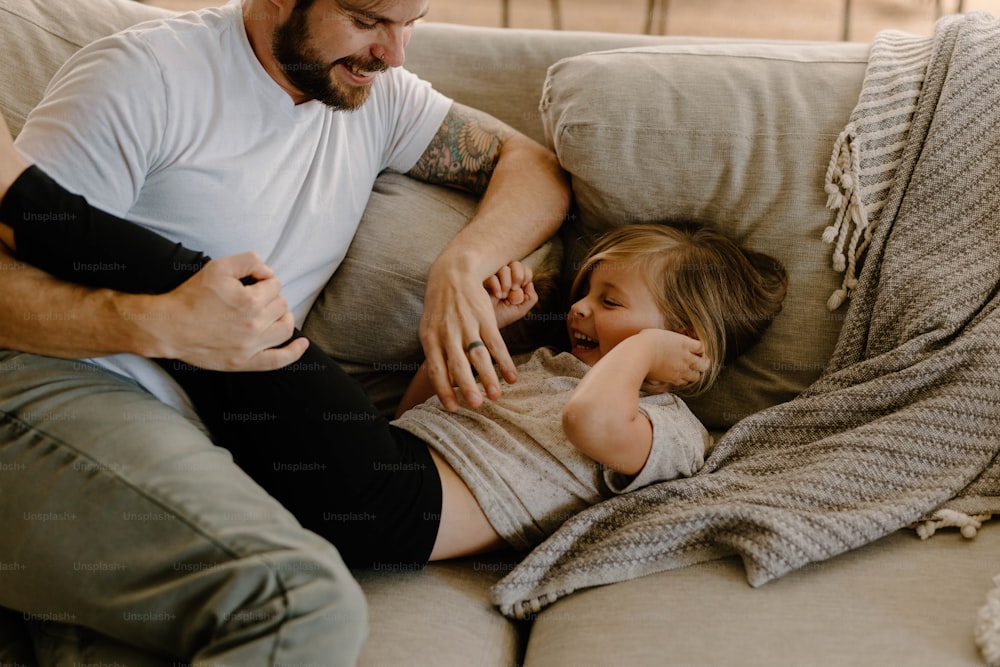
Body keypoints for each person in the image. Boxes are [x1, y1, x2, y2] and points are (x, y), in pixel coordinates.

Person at [0, 0, 570, 664]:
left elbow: (535, 167)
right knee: (301, 604)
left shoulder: (377, 97)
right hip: (59, 387)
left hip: (200, 443)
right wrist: (158, 324)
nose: (395, 52)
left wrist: (464, 263)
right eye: (367, 19)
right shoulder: (146, 77)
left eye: (410, 20)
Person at [0, 151, 787, 558]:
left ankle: (20, 194)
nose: (577, 307)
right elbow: (419, 415)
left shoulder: (668, 426)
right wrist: (497, 332)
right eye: (584, 290)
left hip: (394, 509)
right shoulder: (555, 369)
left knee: (233, 304)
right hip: (379, 470)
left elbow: (591, 422)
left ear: (688, 338)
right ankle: (29, 235)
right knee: (213, 332)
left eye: (609, 302)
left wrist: (647, 349)